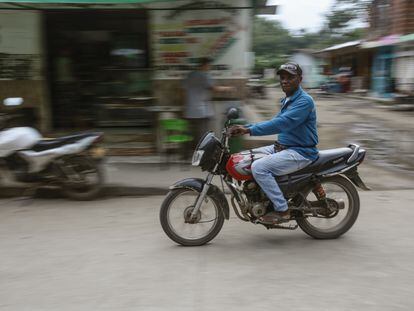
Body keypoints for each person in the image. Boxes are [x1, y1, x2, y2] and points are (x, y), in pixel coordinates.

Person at [230, 62, 319, 224]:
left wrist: (248, 130)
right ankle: (263, 197)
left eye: (290, 77)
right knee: (247, 158)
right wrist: (246, 127)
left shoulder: (304, 101)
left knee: (259, 167)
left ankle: (282, 209)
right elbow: (276, 121)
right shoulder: (288, 99)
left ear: (300, 79)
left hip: (300, 151)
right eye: (282, 77)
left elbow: (281, 124)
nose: (284, 81)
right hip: (283, 147)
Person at [182, 57, 232, 153]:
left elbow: (182, 92)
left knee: (192, 134)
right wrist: (228, 88)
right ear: (205, 65)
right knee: (203, 135)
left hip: (189, 111)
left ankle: (188, 154)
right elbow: (214, 88)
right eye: (209, 66)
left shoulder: (190, 75)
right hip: (201, 112)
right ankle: (200, 156)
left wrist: (184, 106)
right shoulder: (205, 76)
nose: (209, 68)